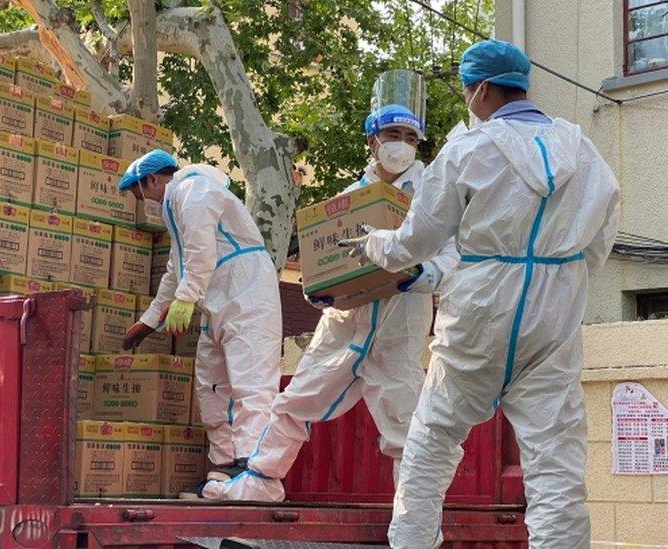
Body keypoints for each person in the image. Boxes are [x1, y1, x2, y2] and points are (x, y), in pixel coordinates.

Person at [339, 40, 620, 548]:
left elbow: (417, 242)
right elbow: (603, 234)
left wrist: (375, 244)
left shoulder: (468, 149)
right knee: (555, 461)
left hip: (481, 308)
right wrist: (563, 276)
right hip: (553, 310)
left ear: (483, 89)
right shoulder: (581, 148)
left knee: (431, 440)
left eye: (468, 88)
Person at [201, 98, 459, 503]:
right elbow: (324, 265)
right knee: (293, 403)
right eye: (393, 135)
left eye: (411, 138)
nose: (402, 144)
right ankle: (260, 483)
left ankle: (414, 519)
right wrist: (318, 293)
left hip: (397, 328)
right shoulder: (348, 200)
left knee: (405, 428)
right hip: (344, 326)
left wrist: (420, 276)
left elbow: (449, 257)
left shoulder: (432, 197)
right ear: (373, 141)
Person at [119, 151, 283, 500]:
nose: (138, 200)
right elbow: (175, 268)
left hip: (247, 291)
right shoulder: (173, 206)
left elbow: (200, 251)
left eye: (136, 191)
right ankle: (224, 468)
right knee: (212, 384)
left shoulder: (194, 190)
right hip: (217, 299)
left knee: (250, 382)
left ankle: (255, 469)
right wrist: (149, 320)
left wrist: (186, 298)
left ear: (151, 180)